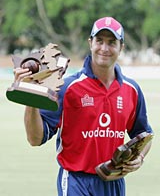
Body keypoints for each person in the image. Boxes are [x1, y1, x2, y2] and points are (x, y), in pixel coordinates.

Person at [14, 16, 153, 196]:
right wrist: (31, 100)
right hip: (75, 181)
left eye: (112, 42)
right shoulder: (67, 87)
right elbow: (35, 139)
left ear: (121, 47)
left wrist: (140, 158)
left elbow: (144, 135)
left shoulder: (132, 90)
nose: (104, 48)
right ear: (90, 43)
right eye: (99, 41)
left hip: (114, 183)